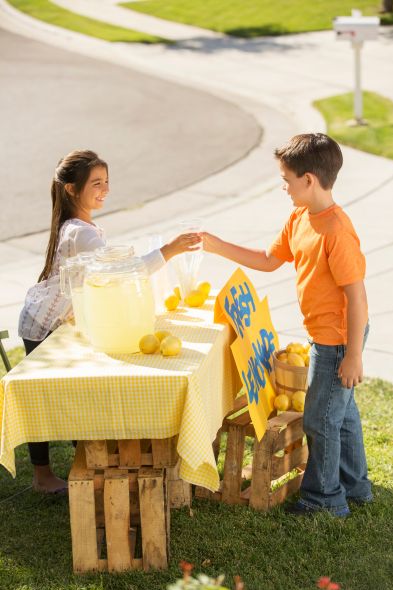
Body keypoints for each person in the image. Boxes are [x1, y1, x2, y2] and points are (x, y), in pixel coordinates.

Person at [203, 133, 372, 517]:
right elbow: (267, 259)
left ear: (309, 180)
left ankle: (324, 500)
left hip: (339, 341)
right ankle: (355, 486)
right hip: (326, 337)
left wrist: (354, 354)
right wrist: (216, 245)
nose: (283, 187)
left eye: (287, 179)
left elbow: (356, 297)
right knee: (341, 414)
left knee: (320, 420)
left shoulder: (336, 232)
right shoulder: (300, 218)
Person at [18, 149, 201, 494]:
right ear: (72, 189)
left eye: (107, 182)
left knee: (60, 394)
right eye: (96, 183)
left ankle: (83, 465)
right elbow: (120, 272)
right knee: (41, 398)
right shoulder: (82, 232)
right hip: (41, 323)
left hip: (51, 317)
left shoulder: (80, 225)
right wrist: (171, 249)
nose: (104, 190)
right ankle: (44, 477)